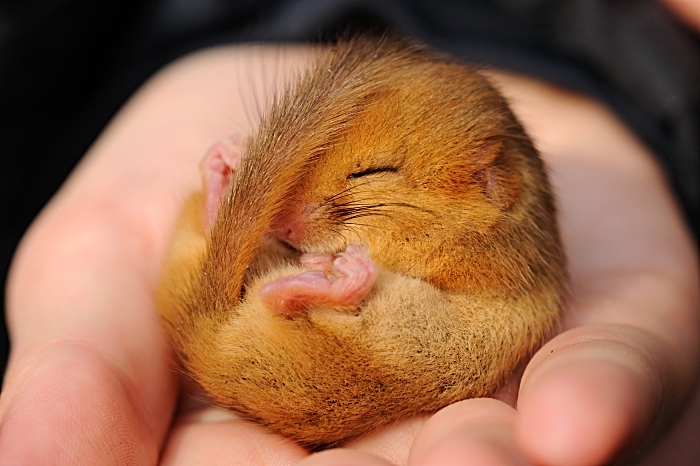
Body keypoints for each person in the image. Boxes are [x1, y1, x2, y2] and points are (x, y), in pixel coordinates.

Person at [0, 1, 698, 464]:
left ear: (491, 187)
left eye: (365, 180)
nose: (297, 214)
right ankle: (267, 266)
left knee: (455, 341)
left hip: (325, 348)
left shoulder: (491, 227)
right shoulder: (420, 167)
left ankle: (284, 282)